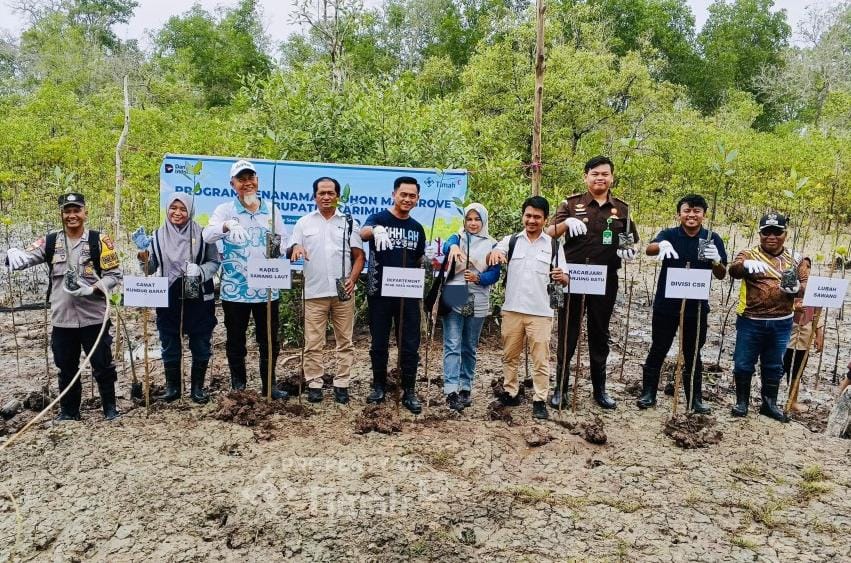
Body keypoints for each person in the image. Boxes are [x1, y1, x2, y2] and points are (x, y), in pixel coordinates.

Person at [5, 193, 122, 420]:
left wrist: (94, 288)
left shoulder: (100, 241)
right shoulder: (50, 242)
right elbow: (25, 258)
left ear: (85, 213)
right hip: (63, 319)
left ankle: (110, 409)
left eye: (76, 210)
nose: (72, 216)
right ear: (61, 214)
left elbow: (114, 275)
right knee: (66, 367)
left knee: (103, 366)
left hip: (94, 318)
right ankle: (69, 413)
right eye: (67, 211)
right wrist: (12, 255)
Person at [546, 156, 639, 410]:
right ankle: (560, 389)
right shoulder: (571, 203)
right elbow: (548, 232)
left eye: (605, 174)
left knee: (600, 334)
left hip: (604, 279)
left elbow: (629, 242)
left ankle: (600, 390)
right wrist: (566, 223)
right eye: (595, 174)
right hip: (572, 277)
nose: (600, 178)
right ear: (586, 176)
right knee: (568, 332)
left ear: (612, 177)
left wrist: (628, 251)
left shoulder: (622, 209)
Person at [202, 159, 289, 399]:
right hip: (235, 288)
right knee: (235, 340)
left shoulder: (271, 211)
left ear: (258, 181)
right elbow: (207, 235)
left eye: (251, 178)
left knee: (269, 339)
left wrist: (293, 248)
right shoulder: (225, 210)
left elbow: (284, 241)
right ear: (233, 184)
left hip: (268, 289)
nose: (247, 183)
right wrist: (227, 226)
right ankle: (238, 386)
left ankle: (269, 385)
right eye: (241, 179)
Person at [636, 194, 727, 412]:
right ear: (679, 214)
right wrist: (660, 246)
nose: (691, 215)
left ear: (704, 215)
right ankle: (648, 393)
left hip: (696, 307)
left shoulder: (712, 238)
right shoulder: (669, 234)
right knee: (659, 347)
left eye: (696, 211)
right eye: (687, 210)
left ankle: (694, 399)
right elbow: (649, 249)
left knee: (692, 353)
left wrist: (716, 260)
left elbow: (722, 273)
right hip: (666, 305)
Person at [133, 192, 220, 404]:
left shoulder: (203, 235)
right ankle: (173, 389)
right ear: (167, 209)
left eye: (183, 209)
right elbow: (151, 268)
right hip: (169, 296)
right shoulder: (157, 236)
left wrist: (199, 271)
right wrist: (143, 257)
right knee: (169, 341)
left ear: (190, 211)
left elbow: (214, 262)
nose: (177, 213)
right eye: (173, 208)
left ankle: (197, 389)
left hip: (198, 295)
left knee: (200, 342)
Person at [487, 196, 568, 420]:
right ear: (523, 216)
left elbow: (565, 277)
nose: (532, 220)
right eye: (528, 215)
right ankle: (511, 391)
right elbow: (494, 253)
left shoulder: (553, 245)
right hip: (512, 310)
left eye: (537, 217)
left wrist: (562, 277)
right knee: (509, 355)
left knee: (540, 359)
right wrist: (494, 253)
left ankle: (540, 399)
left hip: (541, 313)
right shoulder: (511, 241)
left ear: (545, 219)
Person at [288, 177, 365, 405]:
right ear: (314, 196)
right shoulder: (303, 223)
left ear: (337, 196)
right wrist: (297, 247)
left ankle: (342, 383)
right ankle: (314, 383)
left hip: (343, 293)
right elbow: (292, 246)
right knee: (313, 342)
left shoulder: (349, 222)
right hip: (314, 292)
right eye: (322, 193)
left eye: (331, 193)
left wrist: (352, 279)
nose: (326, 197)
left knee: (345, 341)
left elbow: (359, 256)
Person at [728, 212, 809, 422]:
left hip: (781, 322)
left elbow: (807, 285)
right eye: (766, 232)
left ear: (785, 234)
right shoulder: (748, 254)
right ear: (760, 234)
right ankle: (742, 402)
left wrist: (798, 288)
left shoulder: (796, 258)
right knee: (743, 362)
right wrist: (744, 266)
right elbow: (733, 270)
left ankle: (769, 404)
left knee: (774, 364)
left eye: (777, 232)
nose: (771, 237)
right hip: (750, 320)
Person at [360, 176, 428, 414]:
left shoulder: (417, 228)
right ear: (394, 194)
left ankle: (409, 390)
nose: (407, 199)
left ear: (417, 199)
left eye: (412, 196)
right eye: (403, 194)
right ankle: (378, 386)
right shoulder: (379, 218)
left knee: (409, 344)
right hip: (379, 292)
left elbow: (419, 258)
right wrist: (375, 230)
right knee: (379, 342)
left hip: (408, 294)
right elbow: (363, 233)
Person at [440, 203, 501, 412]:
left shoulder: (493, 244)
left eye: (477, 219)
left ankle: (466, 387)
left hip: (478, 297)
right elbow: (447, 245)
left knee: (469, 345)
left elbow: (495, 273)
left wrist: (479, 277)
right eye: (469, 219)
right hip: (455, 293)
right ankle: (451, 390)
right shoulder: (458, 237)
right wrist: (454, 247)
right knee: (452, 343)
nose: (473, 224)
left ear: (483, 221)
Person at [783, 287, 824, 412]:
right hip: (785, 329)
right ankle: (770, 399)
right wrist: (794, 307)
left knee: (798, 367)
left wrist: (819, 334)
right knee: (779, 366)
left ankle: (792, 401)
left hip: (805, 331)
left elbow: (817, 312)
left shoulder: (814, 287)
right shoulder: (787, 279)